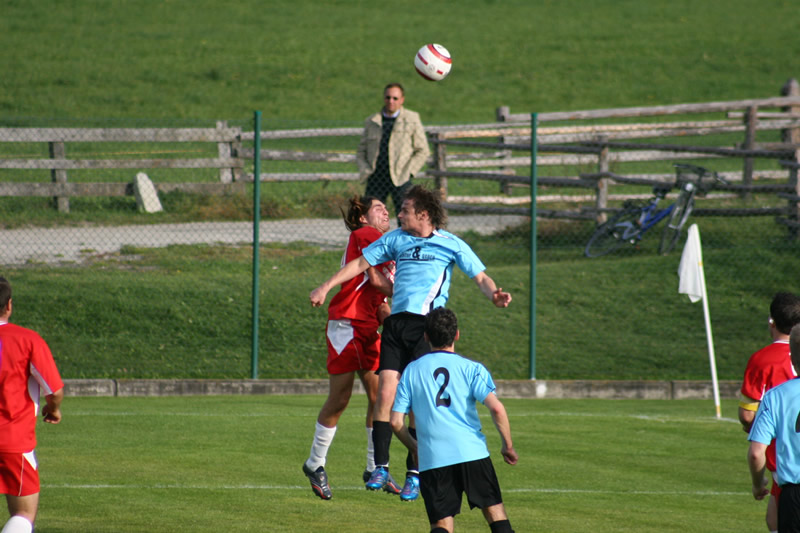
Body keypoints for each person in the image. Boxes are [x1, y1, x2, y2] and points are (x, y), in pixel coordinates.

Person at [310, 185, 512, 502]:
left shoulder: (451, 243)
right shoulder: (396, 240)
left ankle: (414, 474)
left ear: (423, 213)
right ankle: (380, 466)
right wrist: (325, 286)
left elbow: (480, 277)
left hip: (425, 327)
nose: (398, 214)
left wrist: (495, 296)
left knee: (417, 405)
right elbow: (360, 265)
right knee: (385, 396)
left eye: (404, 209)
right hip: (394, 325)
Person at [302, 196, 402, 499]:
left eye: (387, 207)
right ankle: (315, 463)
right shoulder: (366, 235)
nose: (386, 211)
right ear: (362, 219)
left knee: (380, 396)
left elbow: (379, 296)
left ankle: (374, 468)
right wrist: (409, 298)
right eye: (377, 208)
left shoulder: (380, 244)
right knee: (340, 399)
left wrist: (392, 317)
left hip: (366, 326)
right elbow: (374, 280)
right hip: (348, 323)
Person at [390, 308, 517, 533]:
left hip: (434, 458)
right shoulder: (472, 369)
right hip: (472, 453)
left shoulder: (411, 371)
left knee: (441, 525)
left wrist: (415, 448)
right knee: (495, 513)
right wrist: (507, 445)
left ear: (426, 336)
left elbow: (396, 422)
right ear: (456, 334)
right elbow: (497, 408)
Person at [0, 277, 64, 533]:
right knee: (24, 513)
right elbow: (55, 390)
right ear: (9, 305)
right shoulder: (27, 340)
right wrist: (53, 408)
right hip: (14, 440)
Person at [739, 291, 800, 533]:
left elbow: (746, 415)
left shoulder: (764, 362)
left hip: (780, 455)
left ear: (771, 321)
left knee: (776, 515)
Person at [356, 83, 431, 218]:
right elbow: (361, 151)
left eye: (395, 98)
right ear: (384, 98)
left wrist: (410, 171)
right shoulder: (372, 121)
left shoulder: (411, 119)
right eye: (388, 97)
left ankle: (403, 240)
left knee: (406, 218)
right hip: (376, 178)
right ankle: (374, 240)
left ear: (402, 100)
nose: (391, 101)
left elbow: (422, 150)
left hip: (401, 178)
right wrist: (366, 170)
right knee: (371, 218)